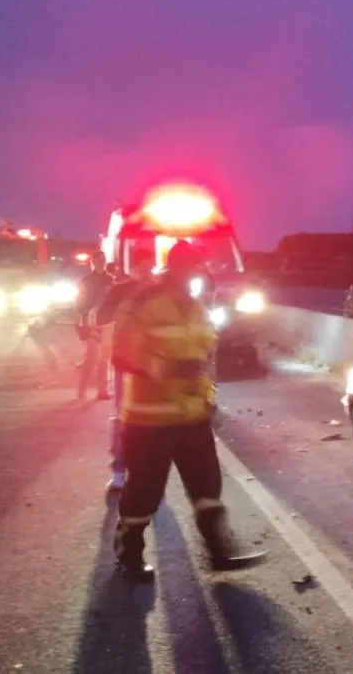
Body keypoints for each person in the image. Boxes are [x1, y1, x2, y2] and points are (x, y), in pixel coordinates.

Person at [110, 240, 264, 581]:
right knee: (146, 489)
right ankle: (129, 551)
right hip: (148, 418)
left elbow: (203, 361)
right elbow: (120, 352)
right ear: (173, 267)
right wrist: (167, 369)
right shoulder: (143, 301)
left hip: (191, 416)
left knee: (207, 484)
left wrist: (210, 401)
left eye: (197, 267)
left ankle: (218, 550)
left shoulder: (196, 307)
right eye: (188, 266)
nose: (194, 273)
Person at [89, 248, 156, 492]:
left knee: (150, 418)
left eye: (151, 267)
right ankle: (119, 469)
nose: (148, 272)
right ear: (134, 268)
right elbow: (100, 317)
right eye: (144, 267)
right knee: (122, 416)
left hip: (151, 366)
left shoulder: (160, 292)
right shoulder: (119, 290)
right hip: (124, 362)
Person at [75, 251, 114, 400]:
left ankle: (102, 391)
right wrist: (83, 321)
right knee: (91, 358)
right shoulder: (86, 281)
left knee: (104, 358)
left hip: (107, 323)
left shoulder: (111, 280)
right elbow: (80, 303)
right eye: (98, 260)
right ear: (93, 262)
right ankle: (82, 388)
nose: (101, 262)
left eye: (103, 260)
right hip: (91, 323)